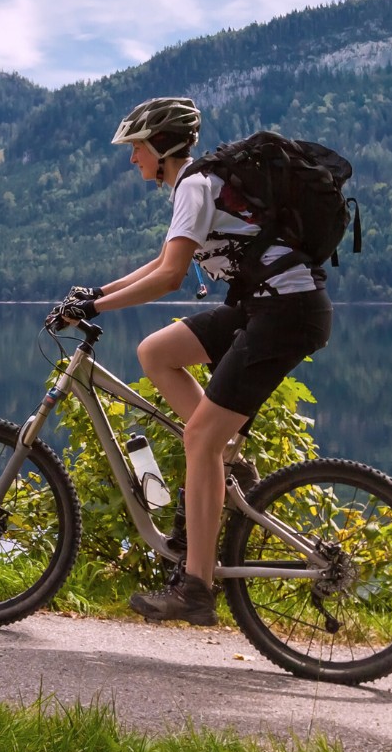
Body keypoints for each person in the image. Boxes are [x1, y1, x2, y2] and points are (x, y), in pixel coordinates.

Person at [49, 96, 334, 626]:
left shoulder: (196, 185)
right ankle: (230, 465)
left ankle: (196, 587)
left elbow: (171, 276)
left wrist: (93, 307)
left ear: (161, 147)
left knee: (197, 438)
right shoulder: (197, 186)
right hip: (261, 307)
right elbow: (162, 260)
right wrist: (96, 291)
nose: (132, 158)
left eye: (136, 148)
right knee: (155, 352)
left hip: (286, 313)